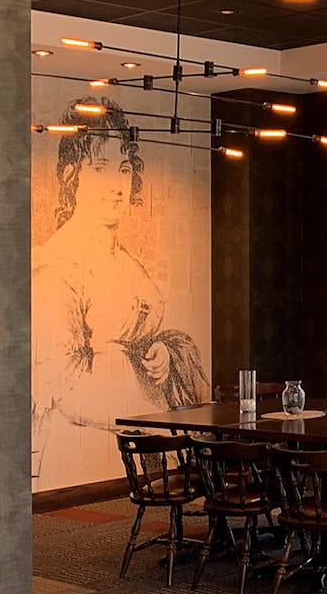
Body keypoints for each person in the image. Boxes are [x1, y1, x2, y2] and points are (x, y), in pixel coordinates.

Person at [32, 98, 207, 486]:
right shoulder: (57, 264)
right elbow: (62, 382)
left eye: (124, 169)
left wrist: (163, 351)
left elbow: (143, 337)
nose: (115, 186)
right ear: (70, 176)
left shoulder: (129, 262)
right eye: (99, 169)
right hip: (84, 437)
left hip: (148, 431)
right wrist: (146, 408)